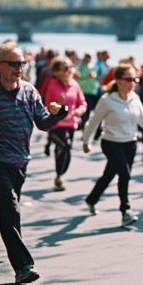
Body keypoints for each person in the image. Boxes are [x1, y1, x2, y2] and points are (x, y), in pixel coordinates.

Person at [0, 41, 68, 284]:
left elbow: (42, 122)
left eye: (21, 63)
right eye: (13, 63)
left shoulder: (29, 91)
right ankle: (23, 267)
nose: (18, 68)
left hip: (20, 160)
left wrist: (58, 114)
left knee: (4, 203)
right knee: (10, 208)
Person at [82, 64, 143, 226]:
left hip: (130, 144)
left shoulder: (135, 98)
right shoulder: (107, 100)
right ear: (117, 80)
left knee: (109, 174)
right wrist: (86, 141)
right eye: (129, 79)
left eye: (135, 79)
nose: (133, 82)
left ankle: (91, 199)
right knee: (124, 174)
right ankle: (125, 211)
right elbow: (94, 122)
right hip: (111, 142)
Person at [44, 56, 87, 191]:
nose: (69, 71)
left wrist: (79, 111)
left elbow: (82, 103)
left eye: (70, 68)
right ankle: (59, 176)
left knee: (65, 150)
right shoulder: (53, 85)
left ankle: (59, 174)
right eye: (65, 68)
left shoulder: (75, 84)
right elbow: (46, 106)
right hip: (57, 124)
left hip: (71, 124)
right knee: (66, 146)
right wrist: (57, 105)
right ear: (57, 72)